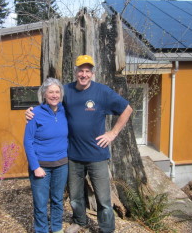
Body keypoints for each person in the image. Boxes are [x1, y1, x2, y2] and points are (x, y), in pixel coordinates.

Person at [26, 55, 133, 233]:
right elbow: (50, 103)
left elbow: (127, 109)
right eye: (80, 70)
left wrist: (112, 133)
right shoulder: (66, 91)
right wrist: (31, 111)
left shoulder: (102, 92)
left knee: (103, 198)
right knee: (75, 196)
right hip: (73, 155)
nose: (84, 74)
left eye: (87, 71)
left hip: (97, 154)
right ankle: (80, 221)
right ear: (75, 72)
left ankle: (107, 228)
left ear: (92, 73)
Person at [23, 77, 68, 233]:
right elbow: (28, 142)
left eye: (57, 92)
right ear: (44, 94)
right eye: (51, 92)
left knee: (57, 200)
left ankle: (56, 228)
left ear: (61, 94)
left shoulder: (65, 110)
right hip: (41, 166)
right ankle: (41, 230)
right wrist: (35, 166)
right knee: (41, 203)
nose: (54, 95)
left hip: (61, 165)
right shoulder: (35, 113)